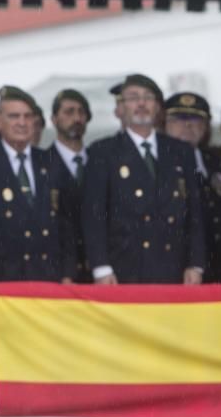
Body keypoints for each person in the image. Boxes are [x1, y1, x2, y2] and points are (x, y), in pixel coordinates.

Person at [82, 74, 206, 284]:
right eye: (133, 97)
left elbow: (195, 212)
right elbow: (94, 215)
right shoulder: (103, 152)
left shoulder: (180, 151)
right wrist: (101, 267)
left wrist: (196, 263)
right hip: (125, 268)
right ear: (121, 108)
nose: (141, 103)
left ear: (158, 107)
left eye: (148, 97)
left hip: (174, 267)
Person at [0, 87, 75, 282]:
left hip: (49, 278)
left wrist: (68, 273)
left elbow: (67, 223)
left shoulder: (49, 161)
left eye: (28, 116)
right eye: (14, 116)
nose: (22, 123)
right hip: (4, 281)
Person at [164, 92, 221, 282]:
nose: (188, 126)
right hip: (178, 269)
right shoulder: (156, 166)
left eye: (196, 119)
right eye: (179, 119)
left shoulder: (217, 162)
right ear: (164, 123)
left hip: (219, 266)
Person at [47, 89, 91, 282]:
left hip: (99, 271)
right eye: (69, 112)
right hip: (62, 272)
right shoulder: (43, 164)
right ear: (54, 119)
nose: (77, 118)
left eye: (81, 112)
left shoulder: (100, 161)